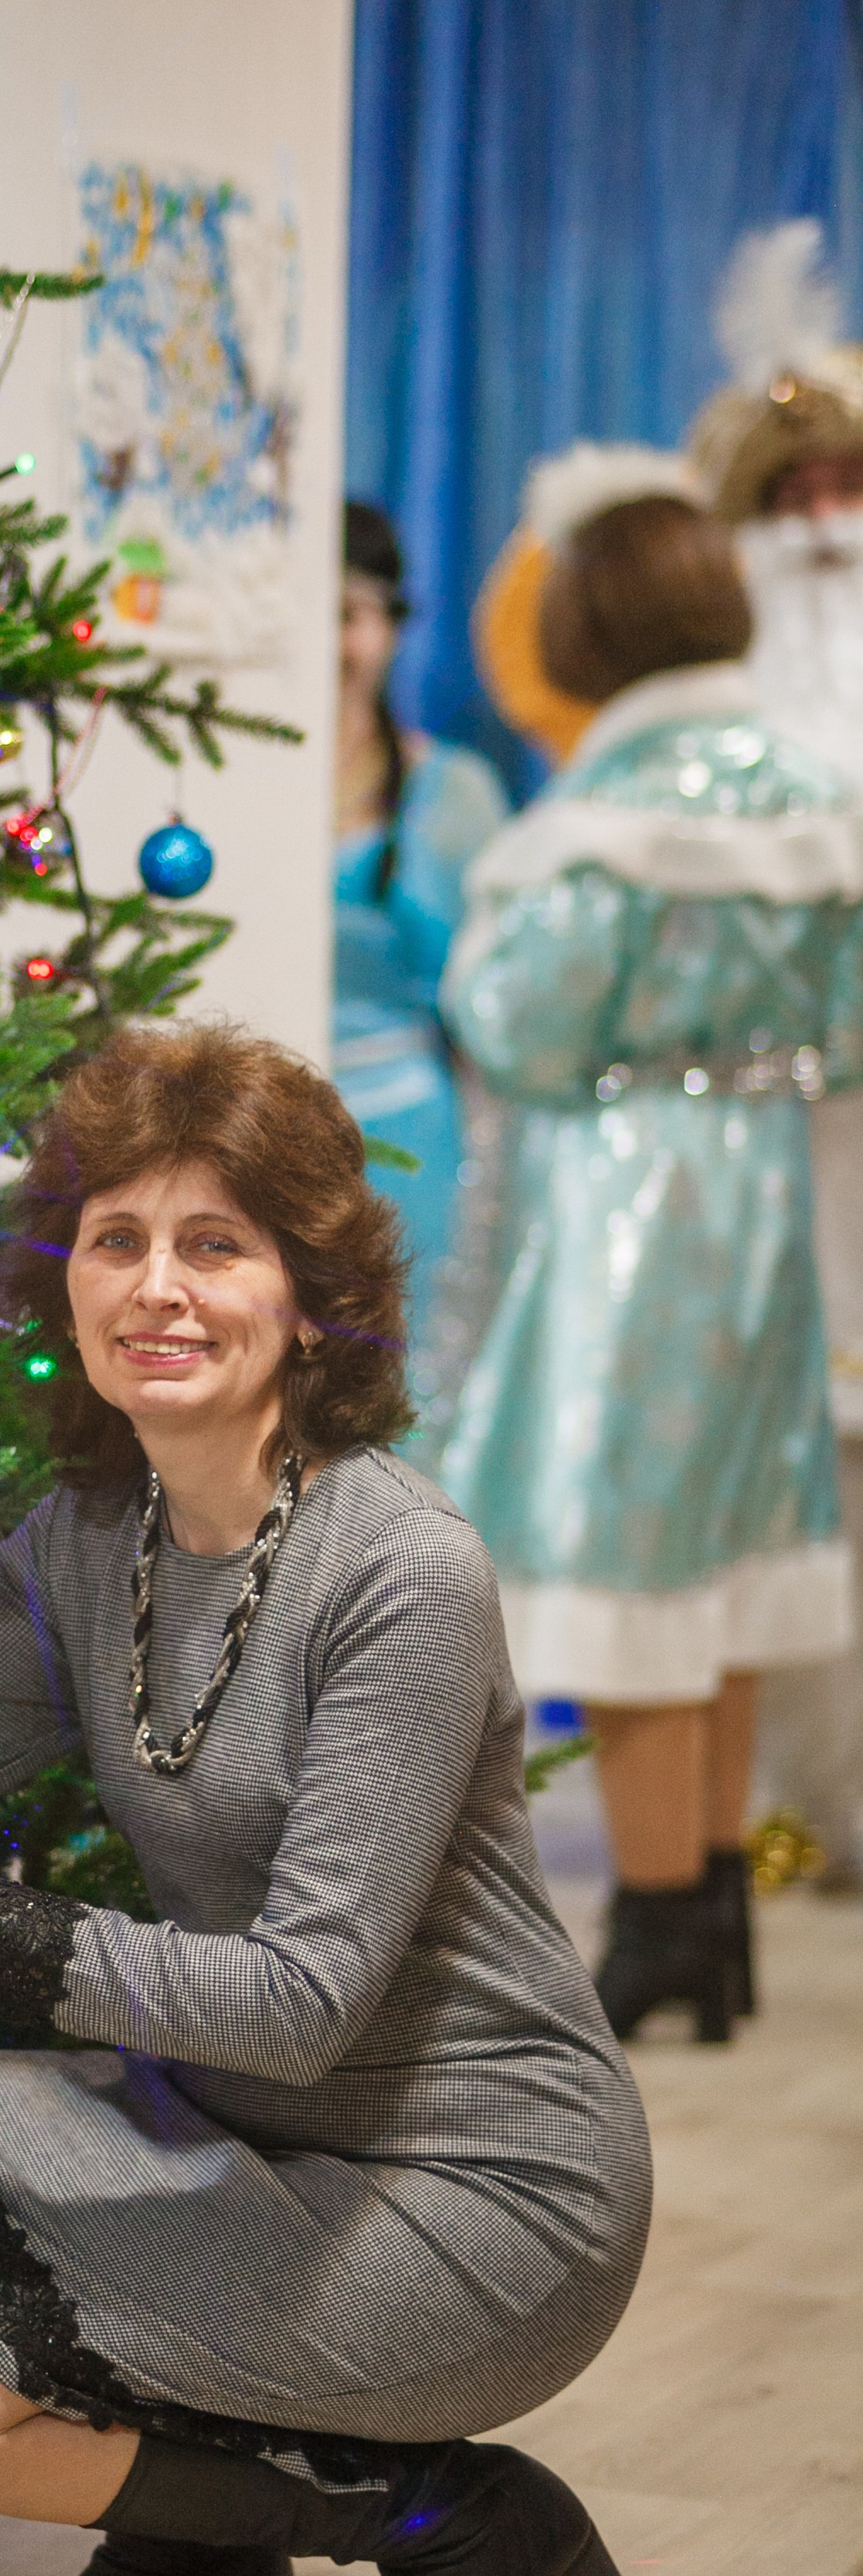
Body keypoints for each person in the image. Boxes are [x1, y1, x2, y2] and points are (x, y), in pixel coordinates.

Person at [0, 1020, 651, 2576]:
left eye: (215, 1244)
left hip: (477, 2195)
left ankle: (442, 2521)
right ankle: (186, 2553)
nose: (155, 1288)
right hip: (255, 2143)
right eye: (116, 1239)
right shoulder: (82, 1537)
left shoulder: (396, 1568)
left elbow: (301, 1995)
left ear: (307, 1292)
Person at [435, 454, 863, 2041]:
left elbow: (516, 1023)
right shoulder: (816, 793)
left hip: (624, 1189)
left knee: (624, 1555)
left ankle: (653, 1914)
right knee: (738, 1549)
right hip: (759, 1178)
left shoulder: (595, 818)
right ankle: (708, 1920)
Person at [688, 221, 863, 1880]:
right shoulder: (702, 732)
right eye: (789, 499)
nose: (821, 529)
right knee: (776, 1478)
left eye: (844, 495)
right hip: (744, 1160)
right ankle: (794, 1801)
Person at [333, 501, 509, 1414]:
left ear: (391, 629)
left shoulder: (452, 791)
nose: (333, 644)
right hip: (257, 1136)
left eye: (350, 615)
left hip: (409, 1141)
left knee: (404, 1387)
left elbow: (494, 998)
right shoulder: (218, 784)